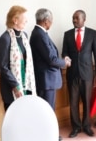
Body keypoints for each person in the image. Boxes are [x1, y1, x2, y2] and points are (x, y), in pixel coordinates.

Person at [30, 8, 71, 141]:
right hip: (46, 80)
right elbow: (51, 59)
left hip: (47, 79)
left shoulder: (40, 33)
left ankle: (49, 134)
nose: (51, 23)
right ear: (46, 21)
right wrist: (64, 62)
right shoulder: (39, 34)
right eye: (51, 20)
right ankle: (49, 136)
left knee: (48, 109)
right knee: (47, 110)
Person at [62, 10, 96, 138]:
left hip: (88, 74)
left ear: (84, 19)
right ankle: (76, 127)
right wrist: (65, 58)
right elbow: (64, 52)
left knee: (87, 101)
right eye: (73, 18)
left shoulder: (92, 33)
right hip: (72, 74)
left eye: (76, 18)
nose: (74, 20)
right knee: (73, 102)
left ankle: (86, 126)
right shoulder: (67, 34)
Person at [0, 5, 36, 111]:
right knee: (15, 120)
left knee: (26, 117)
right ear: (15, 20)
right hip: (11, 88)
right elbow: (3, 66)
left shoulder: (25, 36)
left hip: (26, 84)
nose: (27, 21)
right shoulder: (5, 38)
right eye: (24, 19)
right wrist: (16, 86)